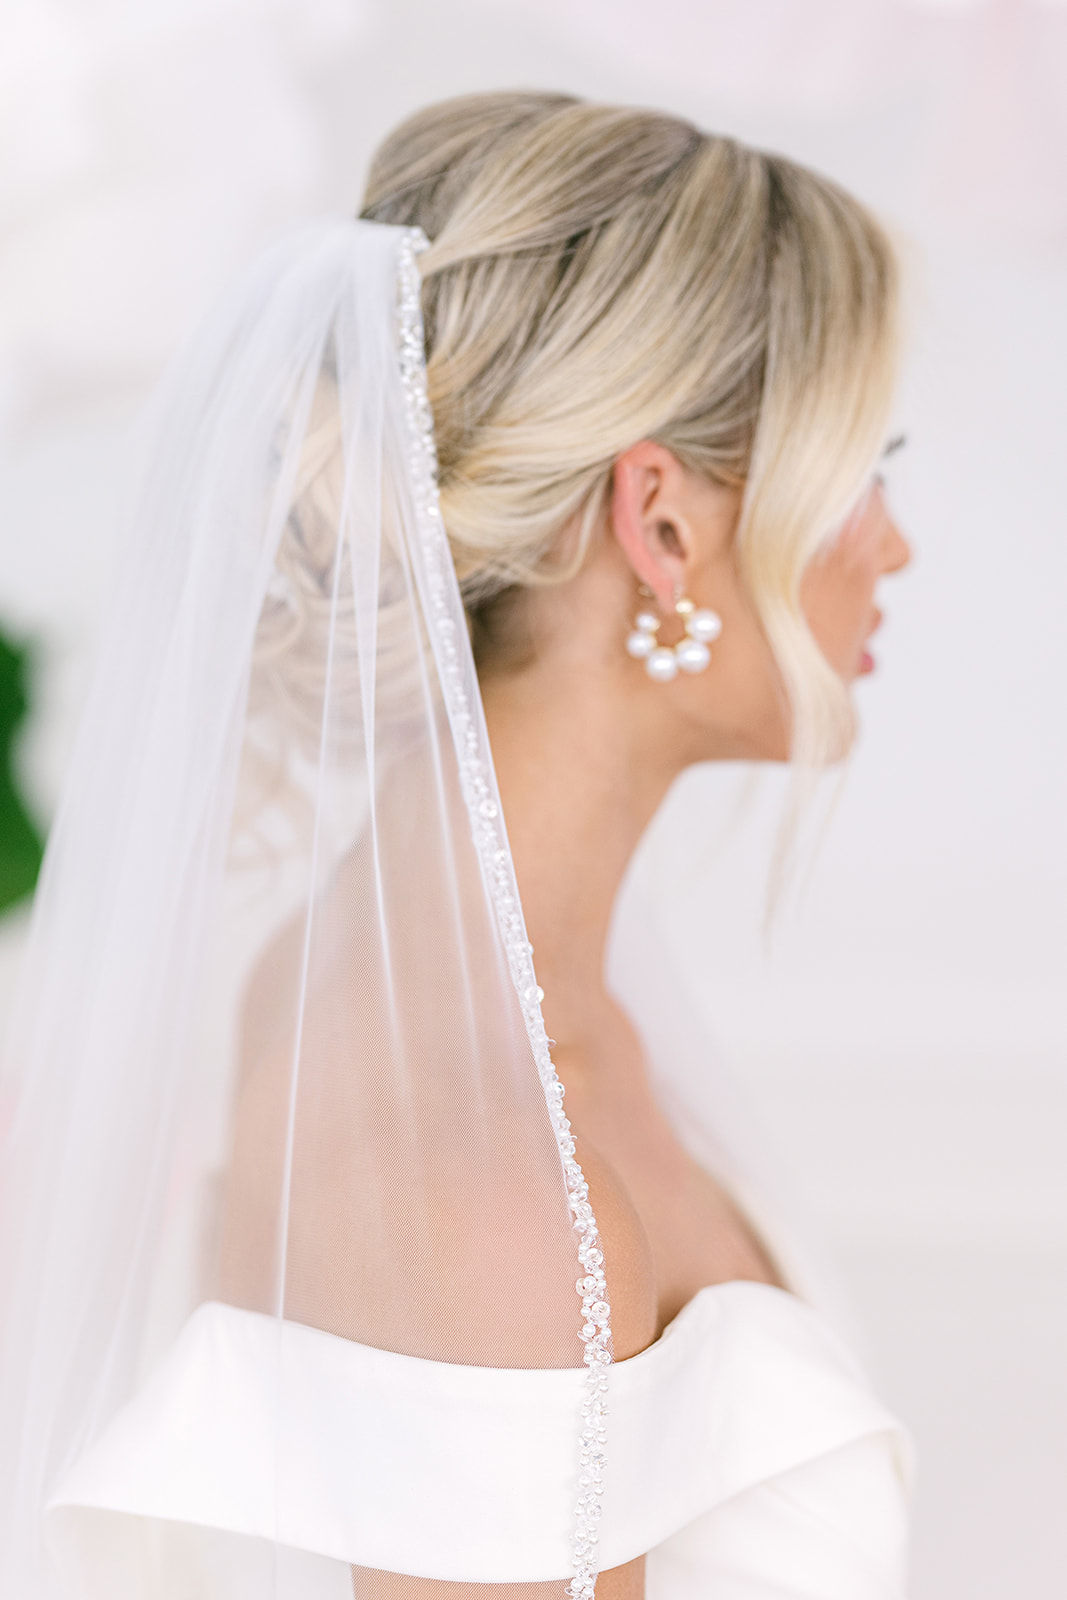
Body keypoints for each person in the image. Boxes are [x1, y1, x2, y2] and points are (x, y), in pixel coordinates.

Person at [0, 93, 913, 1599]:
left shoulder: (389, 976)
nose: (893, 542)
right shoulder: (482, 1193)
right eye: (867, 459)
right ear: (661, 523)